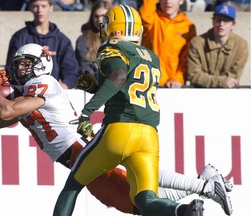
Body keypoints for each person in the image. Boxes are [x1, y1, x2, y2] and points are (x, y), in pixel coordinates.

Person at [0, 43, 232, 215]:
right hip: (75, 152)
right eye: (19, 65)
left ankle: (204, 186)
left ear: (40, 64)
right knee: (134, 194)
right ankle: (203, 184)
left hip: (80, 148)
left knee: (134, 197)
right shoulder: (24, 94)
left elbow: (5, 111)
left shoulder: (43, 82)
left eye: (25, 64)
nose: (19, 69)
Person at [52, 5, 233, 216]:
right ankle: (184, 211)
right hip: (148, 135)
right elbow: (128, 85)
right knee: (146, 200)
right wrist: (96, 87)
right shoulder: (150, 55)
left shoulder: (112, 49)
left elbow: (119, 76)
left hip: (119, 130)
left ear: (113, 27)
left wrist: (87, 112)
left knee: (73, 185)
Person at [5, 0, 79, 89]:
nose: (39, 10)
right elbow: (11, 67)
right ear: (30, 8)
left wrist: (65, 85)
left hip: (52, 92)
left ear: (51, 8)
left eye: (43, 6)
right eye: (36, 6)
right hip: (25, 92)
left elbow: (70, 69)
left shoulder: (62, 40)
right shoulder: (20, 37)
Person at [187, 4, 249, 88]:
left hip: (227, 92)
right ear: (213, 21)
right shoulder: (197, 43)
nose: (221, 24)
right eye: (218, 20)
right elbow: (193, 75)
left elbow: (233, 77)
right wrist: (221, 82)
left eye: (226, 21)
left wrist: (223, 82)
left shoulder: (241, 45)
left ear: (233, 25)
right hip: (200, 91)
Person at [139, 0, 196, 88]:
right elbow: (145, 15)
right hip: (150, 82)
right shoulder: (152, 20)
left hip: (174, 86)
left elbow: (187, 58)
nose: (168, 2)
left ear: (181, 1)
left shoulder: (188, 27)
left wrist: (178, 79)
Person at [75, 0, 111, 81]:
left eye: (103, 16)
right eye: (96, 16)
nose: (100, 19)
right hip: (92, 84)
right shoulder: (82, 40)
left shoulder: (117, 38)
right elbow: (84, 67)